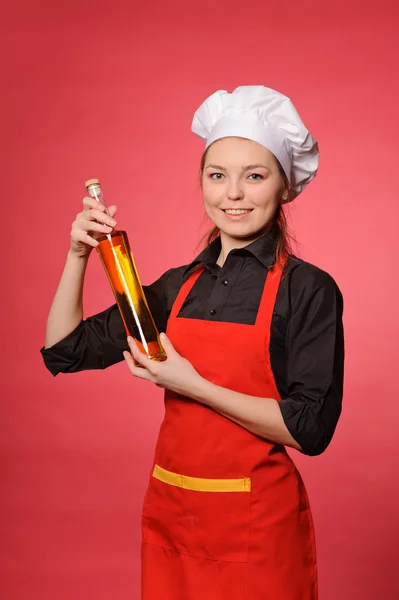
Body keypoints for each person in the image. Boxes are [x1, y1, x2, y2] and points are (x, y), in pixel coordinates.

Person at [41, 85, 344, 600]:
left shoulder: (308, 288)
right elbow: (65, 350)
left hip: (257, 530)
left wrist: (191, 384)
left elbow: (310, 428)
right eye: (217, 175)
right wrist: (77, 255)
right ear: (202, 182)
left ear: (285, 188)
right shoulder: (176, 285)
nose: (233, 194)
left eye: (254, 176)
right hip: (172, 519)